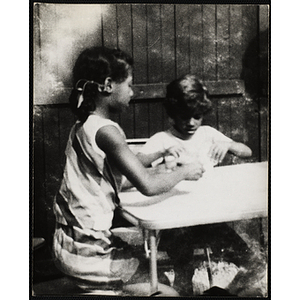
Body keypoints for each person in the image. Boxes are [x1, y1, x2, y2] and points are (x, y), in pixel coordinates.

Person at [52, 47, 204, 293]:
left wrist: (159, 159)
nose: (133, 92)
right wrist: (185, 171)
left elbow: (118, 177)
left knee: (152, 266)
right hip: (89, 253)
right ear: (108, 85)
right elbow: (147, 186)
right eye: (130, 85)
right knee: (167, 289)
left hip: (68, 243)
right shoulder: (108, 132)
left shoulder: (84, 125)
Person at [136, 74, 253, 269]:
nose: (191, 123)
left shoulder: (208, 134)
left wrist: (228, 144)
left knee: (247, 258)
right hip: (175, 221)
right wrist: (162, 154)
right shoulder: (163, 139)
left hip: (209, 216)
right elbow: (136, 164)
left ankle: (231, 290)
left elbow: (247, 152)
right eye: (184, 116)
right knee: (184, 266)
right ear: (172, 113)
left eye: (197, 116)